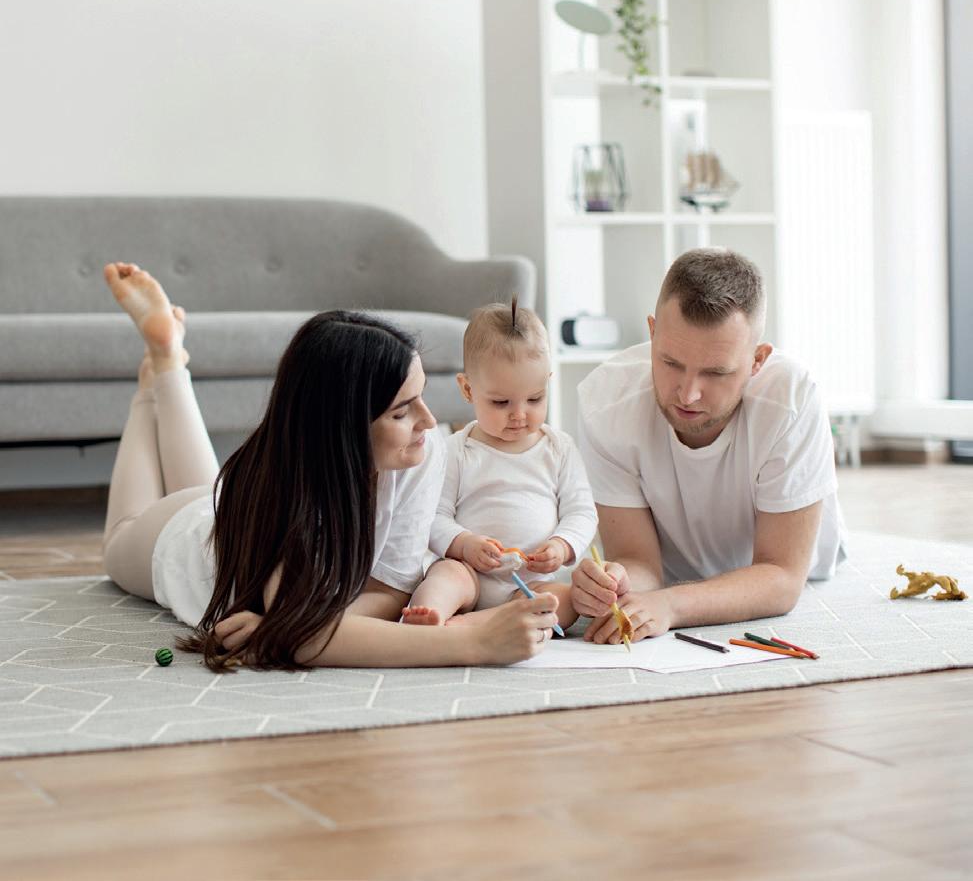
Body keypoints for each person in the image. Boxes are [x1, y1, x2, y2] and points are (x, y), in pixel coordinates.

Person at [100, 262, 558, 671]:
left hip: (225, 515)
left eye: (421, 396)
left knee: (211, 489)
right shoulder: (293, 498)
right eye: (401, 412)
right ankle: (152, 381)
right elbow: (309, 638)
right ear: (344, 428)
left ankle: (168, 361)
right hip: (182, 541)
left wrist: (291, 628)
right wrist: (475, 643)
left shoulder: (421, 450)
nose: (428, 421)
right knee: (120, 535)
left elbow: (388, 591)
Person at [571, 247, 846, 645]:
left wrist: (671, 606)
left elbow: (782, 578)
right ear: (652, 332)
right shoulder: (605, 402)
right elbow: (639, 562)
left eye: (715, 373)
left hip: (796, 564)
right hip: (671, 574)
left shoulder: (791, 398)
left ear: (757, 360)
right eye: (671, 363)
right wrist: (618, 580)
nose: (688, 394)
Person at [404, 299, 598, 631]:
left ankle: (475, 625)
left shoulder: (559, 449)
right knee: (445, 576)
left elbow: (582, 512)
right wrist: (464, 543)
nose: (519, 414)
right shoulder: (456, 451)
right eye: (500, 402)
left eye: (535, 398)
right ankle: (429, 617)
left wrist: (562, 546)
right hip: (471, 574)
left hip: (533, 581)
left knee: (565, 601)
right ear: (468, 389)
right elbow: (432, 516)